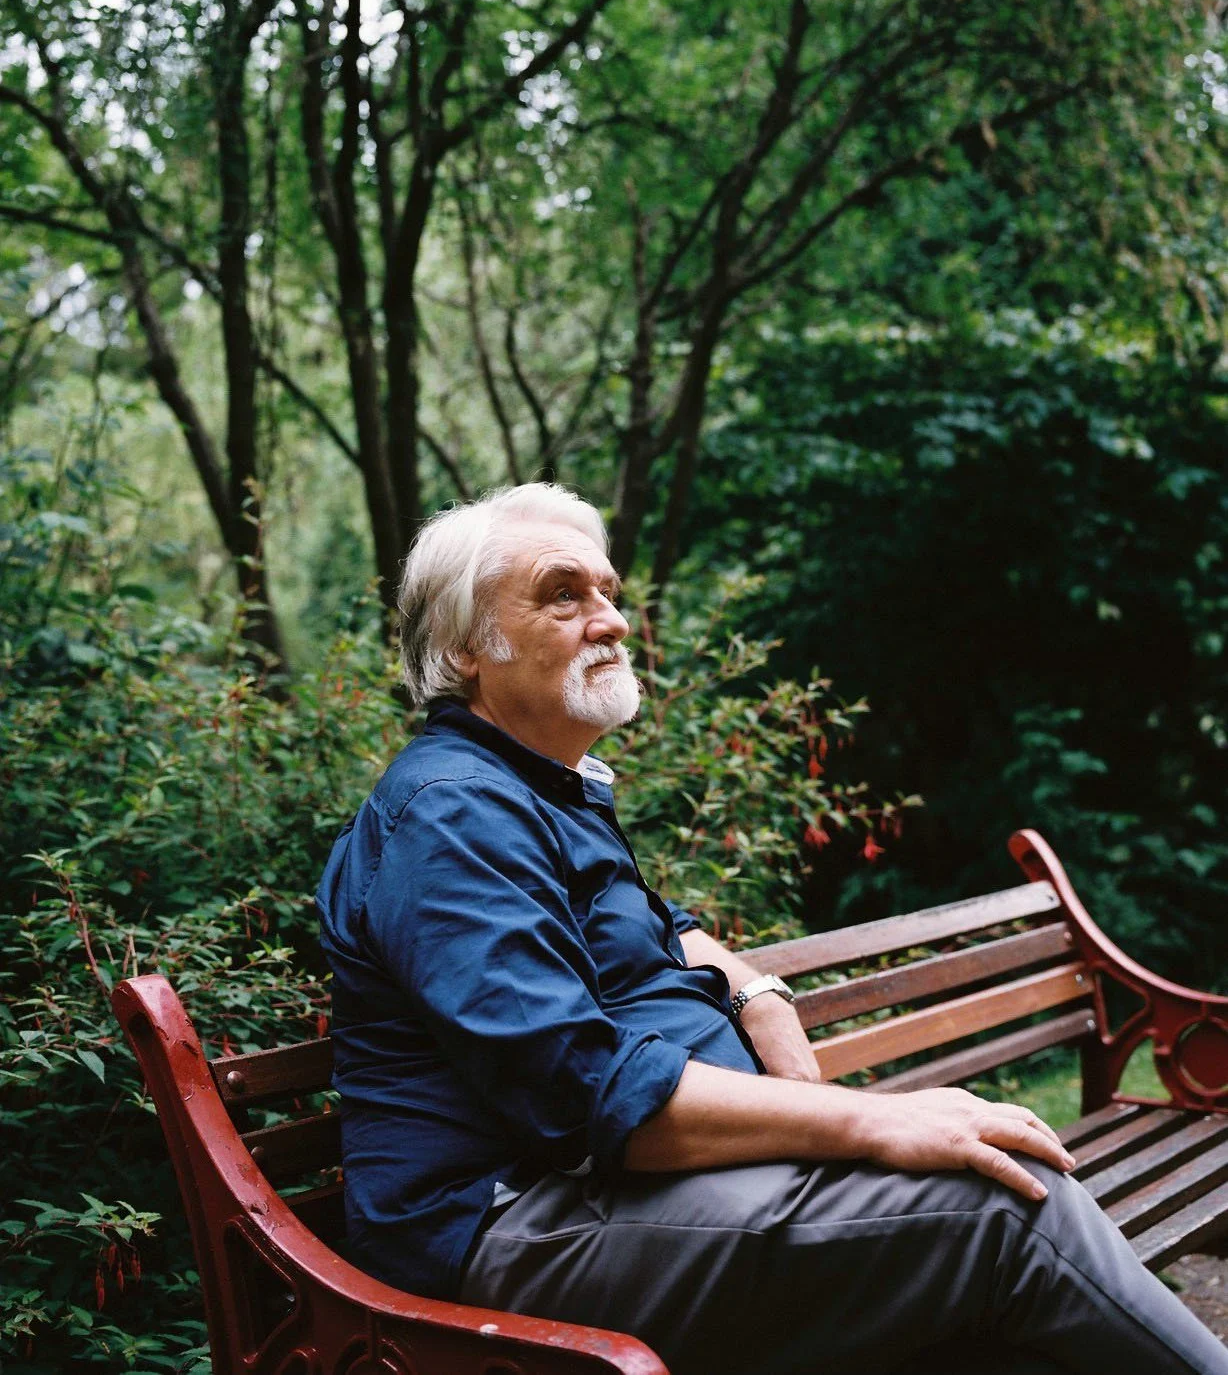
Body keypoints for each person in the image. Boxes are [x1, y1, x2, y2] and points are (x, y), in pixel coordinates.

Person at [316, 483, 1228, 1375]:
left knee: (993, 1284)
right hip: (507, 1226)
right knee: (1005, 1207)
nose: (612, 620)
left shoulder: (539, 789)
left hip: (618, 1193)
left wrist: (758, 991)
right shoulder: (451, 814)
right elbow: (583, 1090)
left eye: (609, 592)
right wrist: (876, 1120)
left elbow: (654, 926)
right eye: (564, 595)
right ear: (467, 647)